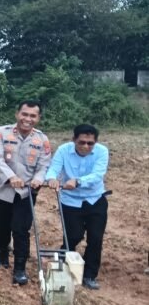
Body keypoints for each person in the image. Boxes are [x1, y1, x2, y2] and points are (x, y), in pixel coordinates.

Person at [0, 100, 52, 285]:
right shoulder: (1, 133)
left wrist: (39, 178)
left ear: (38, 118)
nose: (28, 119)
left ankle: (19, 269)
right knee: (1, 227)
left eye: (33, 116)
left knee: (21, 230)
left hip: (26, 193)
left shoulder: (42, 140)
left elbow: (44, 165)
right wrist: (10, 177)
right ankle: (2, 250)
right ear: (17, 114)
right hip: (2, 191)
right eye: (25, 114)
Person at [45, 124, 109, 290]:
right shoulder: (64, 150)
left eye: (90, 143)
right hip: (71, 201)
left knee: (95, 238)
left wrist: (78, 181)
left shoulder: (102, 151)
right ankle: (63, 259)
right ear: (74, 140)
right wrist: (52, 179)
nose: (86, 146)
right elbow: (53, 168)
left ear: (95, 142)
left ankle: (89, 275)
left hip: (95, 200)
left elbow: (97, 175)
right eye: (82, 142)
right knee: (73, 235)